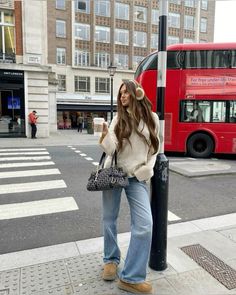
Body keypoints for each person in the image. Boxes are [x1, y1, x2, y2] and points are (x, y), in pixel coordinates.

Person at [99, 80, 160, 294]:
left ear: (137, 93)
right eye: (121, 93)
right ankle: (111, 260)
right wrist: (105, 136)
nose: (123, 96)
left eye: (126, 92)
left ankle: (131, 277)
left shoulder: (152, 119)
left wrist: (147, 169)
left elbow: (155, 148)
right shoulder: (118, 117)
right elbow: (112, 149)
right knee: (109, 219)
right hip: (115, 174)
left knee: (145, 224)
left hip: (137, 177)